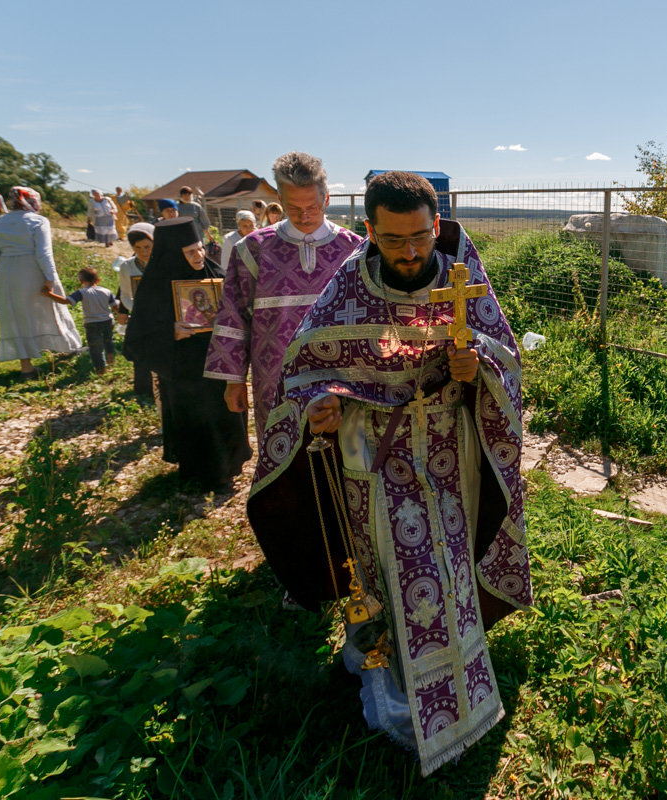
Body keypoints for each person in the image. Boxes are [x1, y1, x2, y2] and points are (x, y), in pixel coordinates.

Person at [246, 172, 531, 775]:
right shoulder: (350, 282)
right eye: (394, 238)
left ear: (438, 225)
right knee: (377, 568)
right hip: (371, 460)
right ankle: (390, 683)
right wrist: (317, 406)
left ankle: (452, 699)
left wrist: (472, 364)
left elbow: (504, 360)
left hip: (449, 457)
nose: (409, 252)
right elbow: (305, 369)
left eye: (421, 237)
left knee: (446, 570)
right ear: (370, 230)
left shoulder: (463, 276)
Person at [204, 151, 362, 441]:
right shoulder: (252, 249)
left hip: (341, 380)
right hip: (275, 380)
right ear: (279, 198)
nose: (304, 215)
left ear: (326, 199)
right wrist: (234, 380)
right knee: (282, 456)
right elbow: (233, 315)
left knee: (345, 459)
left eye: (312, 207)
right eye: (293, 207)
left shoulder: (354, 249)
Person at [124, 217, 250, 493]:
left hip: (218, 362)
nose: (199, 255)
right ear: (173, 253)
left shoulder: (214, 271)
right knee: (196, 418)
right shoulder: (155, 284)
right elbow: (136, 337)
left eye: (200, 248)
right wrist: (170, 332)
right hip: (184, 370)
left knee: (223, 414)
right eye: (190, 251)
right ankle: (204, 473)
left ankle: (229, 467)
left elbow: (239, 309)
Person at [0, 186, 82, 378]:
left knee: (16, 315)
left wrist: (10, 251)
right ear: (33, 201)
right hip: (33, 270)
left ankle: (26, 368)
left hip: (7, 272)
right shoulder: (38, 221)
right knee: (51, 308)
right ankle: (66, 348)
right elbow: (44, 253)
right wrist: (50, 279)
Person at [42, 266, 118, 374]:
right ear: (98, 280)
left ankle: (101, 369)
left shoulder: (81, 293)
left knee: (95, 347)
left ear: (81, 281)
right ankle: (111, 360)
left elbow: (65, 301)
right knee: (108, 341)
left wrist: (49, 294)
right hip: (107, 321)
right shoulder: (106, 291)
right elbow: (115, 307)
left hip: (92, 323)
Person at [114, 222, 155, 395]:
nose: (144, 252)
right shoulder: (127, 267)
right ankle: (145, 389)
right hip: (141, 315)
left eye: (147, 247)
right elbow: (125, 294)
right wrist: (138, 309)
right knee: (143, 350)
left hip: (164, 314)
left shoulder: (164, 263)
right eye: (138, 248)